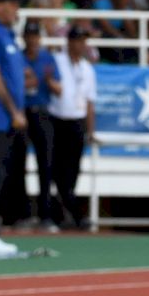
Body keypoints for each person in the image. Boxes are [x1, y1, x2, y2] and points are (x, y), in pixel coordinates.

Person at [48, 26, 96, 230]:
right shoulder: (57, 60)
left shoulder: (87, 68)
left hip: (77, 122)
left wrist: (90, 130)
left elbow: (90, 102)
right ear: (68, 42)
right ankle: (72, 213)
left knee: (73, 170)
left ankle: (66, 212)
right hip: (57, 119)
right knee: (57, 170)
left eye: (83, 41)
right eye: (77, 40)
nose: (80, 44)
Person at [15, 21, 61, 232]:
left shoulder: (47, 58)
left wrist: (47, 81)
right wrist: (25, 82)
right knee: (18, 165)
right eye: (29, 35)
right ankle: (22, 215)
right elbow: (11, 84)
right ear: (24, 37)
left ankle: (46, 215)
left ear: (39, 38)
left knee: (46, 164)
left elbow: (59, 89)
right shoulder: (17, 56)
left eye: (35, 36)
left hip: (42, 113)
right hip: (21, 113)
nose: (32, 39)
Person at [0, 0, 25, 258]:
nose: (9, 8)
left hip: (5, 119)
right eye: (4, 3)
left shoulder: (9, 35)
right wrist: (14, 110)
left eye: (12, 3)